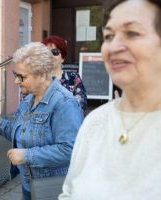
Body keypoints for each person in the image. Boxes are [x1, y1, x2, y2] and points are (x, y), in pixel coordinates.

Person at [59, 0, 161, 199]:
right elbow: (68, 193)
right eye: (108, 36)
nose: (113, 47)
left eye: (131, 33)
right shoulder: (95, 122)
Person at [0, 42, 83, 200]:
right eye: (15, 75)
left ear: (42, 75)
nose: (16, 81)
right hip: (29, 185)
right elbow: (22, 135)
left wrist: (27, 156)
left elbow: (70, 150)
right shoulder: (28, 100)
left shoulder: (64, 103)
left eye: (21, 76)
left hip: (52, 189)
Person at [42, 35, 87, 115]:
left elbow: (81, 108)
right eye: (46, 52)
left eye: (55, 52)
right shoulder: (35, 79)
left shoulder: (73, 78)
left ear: (62, 58)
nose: (50, 56)